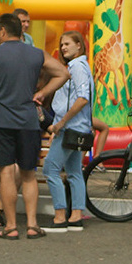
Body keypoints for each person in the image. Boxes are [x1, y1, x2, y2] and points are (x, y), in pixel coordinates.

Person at [0, 11, 67, 240]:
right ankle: (33, 225)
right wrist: (42, 93)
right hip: (28, 122)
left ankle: (11, 226)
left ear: (3, 31)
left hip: (0, 122)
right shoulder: (37, 54)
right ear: (21, 31)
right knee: (28, 175)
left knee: (7, 172)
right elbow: (63, 73)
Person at [42, 30, 93, 232]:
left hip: (70, 127)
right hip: (79, 128)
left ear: (79, 45)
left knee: (50, 169)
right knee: (74, 172)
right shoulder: (83, 66)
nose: (63, 48)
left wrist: (61, 122)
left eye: (68, 44)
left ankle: (60, 216)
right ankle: (76, 216)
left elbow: (82, 98)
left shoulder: (77, 67)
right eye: (62, 45)